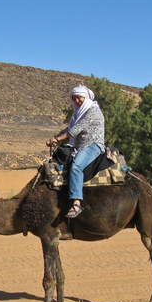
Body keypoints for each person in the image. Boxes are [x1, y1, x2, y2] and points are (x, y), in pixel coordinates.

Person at [46, 85, 105, 218]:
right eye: (74, 98)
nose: (77, 101)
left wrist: (57, 139)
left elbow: (74, 130)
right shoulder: (77, 114)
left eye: (79, 97)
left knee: (76, 167)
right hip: (79, 146)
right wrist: (55, 138)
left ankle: (76, 203)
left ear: (85, 97)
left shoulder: (93, 111)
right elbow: (69, 128)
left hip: (93, 145)